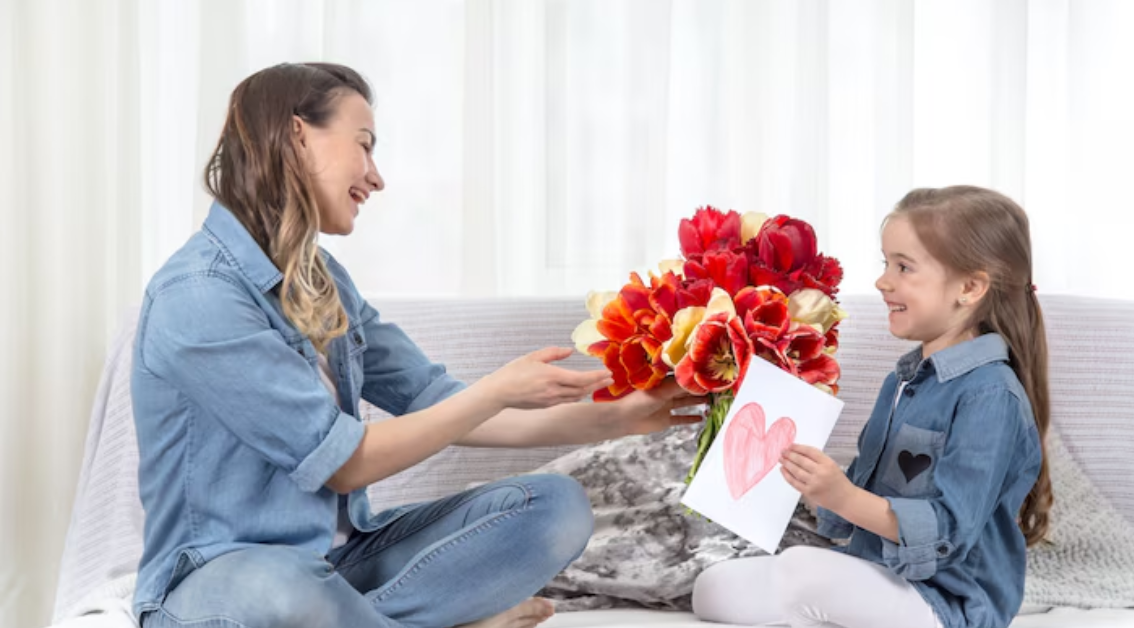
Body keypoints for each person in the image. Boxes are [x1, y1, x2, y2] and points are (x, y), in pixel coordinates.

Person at [130, 62, 699, 628]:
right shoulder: (198, 296)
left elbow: (438, 404)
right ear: (297, 135)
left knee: (555, 507)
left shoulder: (323, 280)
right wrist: (498, 390)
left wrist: (618, 419)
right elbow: (346, 464)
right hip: (218, 579)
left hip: (341, 566)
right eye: (364, 145)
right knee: (287, 593)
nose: (376, 177)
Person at [691, 186, 1053, 628]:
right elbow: (869, 491)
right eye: (886, 263)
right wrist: (813, 483)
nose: (884, 281)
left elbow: (948, 534)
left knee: (801, 571)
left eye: (904, 267)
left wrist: (841, 497)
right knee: (712, 586)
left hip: (948, 603)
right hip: (882, 576)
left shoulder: (990, 396)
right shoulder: (903, 381)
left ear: (970, 287)